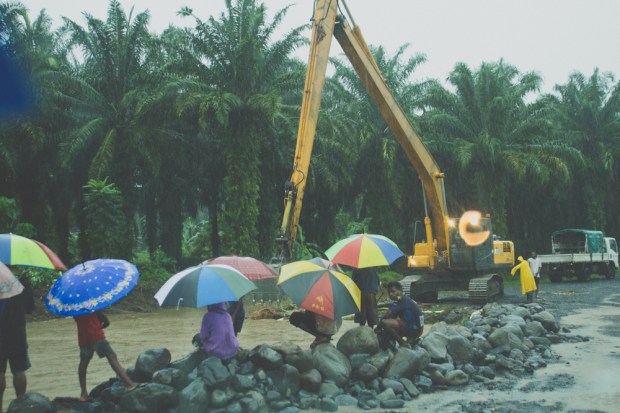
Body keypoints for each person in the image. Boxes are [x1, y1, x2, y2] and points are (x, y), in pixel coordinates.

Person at [74, 311, 139, 401]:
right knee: (112, 356)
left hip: (83, 338)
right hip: (96, 336)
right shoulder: (92, 305)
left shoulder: (75, 309)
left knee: (83, 363)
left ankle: (83, 394)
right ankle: (130, 384)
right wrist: (99, 325)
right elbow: (106, 322)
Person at [0, 278, 34, 413]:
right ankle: (20, 405)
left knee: (0, 371)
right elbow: (30, 308)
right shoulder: (21, 284)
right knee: (19, 370)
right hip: (17, 334)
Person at [376, 281, 424, 348]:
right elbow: (393, 314)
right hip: (417, 328)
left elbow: (387, 316)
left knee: (385, 323)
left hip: (414, 328)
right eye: (389, 292)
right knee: (391, 323)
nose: (391, 294)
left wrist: (378, 327)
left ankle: (402, 343)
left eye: (393, 291)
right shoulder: (403, 298)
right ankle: (410, 341)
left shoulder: (401, 299)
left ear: (400, 290)